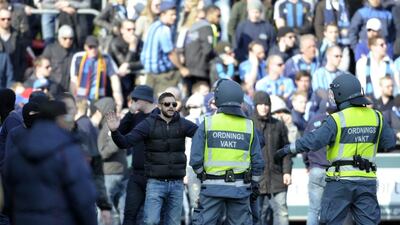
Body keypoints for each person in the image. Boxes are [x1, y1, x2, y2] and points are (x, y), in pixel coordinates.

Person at [274, 73, 396, 225]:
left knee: (330, 221)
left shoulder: (337, 119)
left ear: (340, 94)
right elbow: (389, 142)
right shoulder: (377, 116)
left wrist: (287, 149)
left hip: (340, 182)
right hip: (366, 181)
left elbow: (313, 141)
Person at [107, 92, 198, 225]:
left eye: (174, 104)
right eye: (167, 104)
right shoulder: (148, 124)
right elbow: (125, 142)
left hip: (176, 184)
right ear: (159, 106)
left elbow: (202, 134)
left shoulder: (182, 123)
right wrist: (115, 132)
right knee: (151, 222)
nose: (171, 107)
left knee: (173, 223)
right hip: (155, 183)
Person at [3, 100, 98, 225]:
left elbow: (7, 193)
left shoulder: (19, 148)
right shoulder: (68, 151)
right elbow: (83, 196)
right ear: (59, 119)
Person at [189, 79, 264, 225]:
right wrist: (254, 184)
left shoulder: (207, 123)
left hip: (211, 188)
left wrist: (202, 175)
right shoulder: (249, 126)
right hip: (240, 188)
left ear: (217, 98)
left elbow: (195, 158)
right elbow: (258, 161)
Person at [252, 91, 291, 225]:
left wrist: (287, 172)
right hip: (256, 179)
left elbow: (286, 150)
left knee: (282, 212)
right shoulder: (248, 124)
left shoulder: (278, 125)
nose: (264, 107)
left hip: (277, 176)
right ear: (255, 105)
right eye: (260, 104)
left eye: (267, 104)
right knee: (257, 214)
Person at [119, 85, 156, 225]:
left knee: (152, 218)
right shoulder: (135, 117)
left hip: (155, 176)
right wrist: (129, 113)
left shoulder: (159, 116)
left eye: (135, 99)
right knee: (129, 214)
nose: (132, 103)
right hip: (136, 174)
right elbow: (120, 132)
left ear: (144, 100)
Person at [70, 35, 123, 112]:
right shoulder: (78, 58)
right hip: (81, 97)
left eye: (95, 47)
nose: (93, 50)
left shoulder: (105, 58)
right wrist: (73, 98)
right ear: (85, 47)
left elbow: (114, 77)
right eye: (90, 47)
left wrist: (118, 96)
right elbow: (73, 79)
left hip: (98, 97)